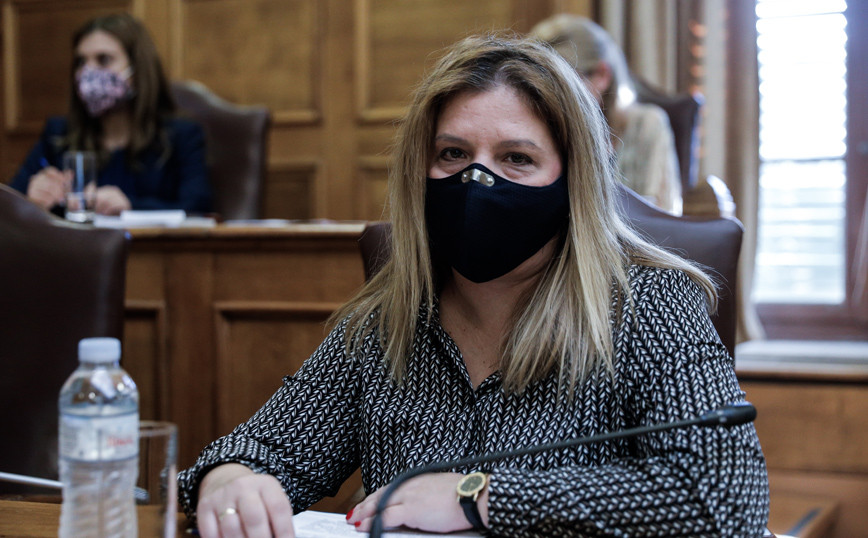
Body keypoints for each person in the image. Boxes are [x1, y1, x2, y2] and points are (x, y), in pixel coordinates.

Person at [177, 34, 768, 537]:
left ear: (572, 182)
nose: (478, 180)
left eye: (517, 158)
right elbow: (261, 451)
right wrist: (229, 479)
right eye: (454, 154)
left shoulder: (649, 305)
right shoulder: (388, 320)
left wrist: (480, 497)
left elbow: (727, 499)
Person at [9, 13, 211, 215]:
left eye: (103, 59)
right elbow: (7, 204)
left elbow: (197, 207)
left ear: (138, 68)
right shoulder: (58, 134)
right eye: (81, 62)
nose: (88, 72)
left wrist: (131, 206)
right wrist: (30, 199)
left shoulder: (181, 135)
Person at [530, 14, 682, 214]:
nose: (548, 98)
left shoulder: (647, 124)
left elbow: (665, 215)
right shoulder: (540, 127)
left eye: (561, 85)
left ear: (602, 75)